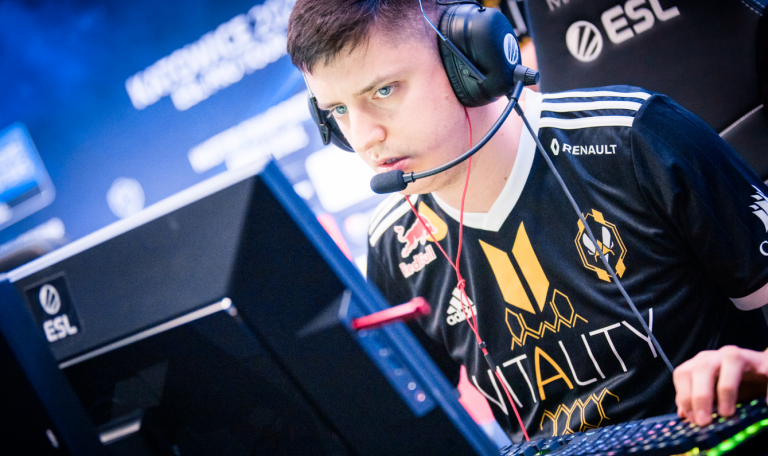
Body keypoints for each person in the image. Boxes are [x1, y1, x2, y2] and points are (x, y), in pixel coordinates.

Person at [287, 0, 768, 442]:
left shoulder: (635, 138)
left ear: (467, 60)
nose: (364, 137)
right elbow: (409, 427)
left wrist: (758, 367)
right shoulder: (395, 242)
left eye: (384, 90)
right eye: (338, 110)